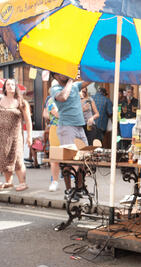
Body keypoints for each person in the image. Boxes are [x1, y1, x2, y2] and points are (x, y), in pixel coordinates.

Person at [50, 72, 92, 200]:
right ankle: (69, 190)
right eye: (60, 73)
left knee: (83, 159)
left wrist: (83, 69)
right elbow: (63, 97)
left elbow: (89, 80)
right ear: (55, 77)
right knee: (68, 161)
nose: (64, 73)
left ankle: (79, 188)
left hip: (80, 127)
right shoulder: (55, 89)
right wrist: (70, 80)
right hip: (67, 127)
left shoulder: (75, 85)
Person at [0, 78, 33, 191]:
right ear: (5, 87)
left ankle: (22, 183)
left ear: (15, 87)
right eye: (8, 84)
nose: (10, 86)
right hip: (0, 136)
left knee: (17, 158)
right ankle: (8, 182)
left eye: (12, 84)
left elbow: (28, 121)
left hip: (15, 136)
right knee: (4, 159)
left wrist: (29, 136)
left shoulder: (22, 102)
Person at [43, 90, 61, 192]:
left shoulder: (69, 98)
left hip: (69, 128)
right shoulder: (51, 100)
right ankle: (54, 181)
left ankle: (73, 182)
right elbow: (57, 114)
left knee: (71, 157)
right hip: (56, 128)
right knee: (55, 157)